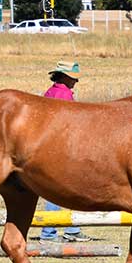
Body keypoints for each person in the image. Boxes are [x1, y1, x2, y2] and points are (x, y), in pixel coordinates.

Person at [39, 61, 92, 243]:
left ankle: (71, 228)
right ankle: (49, 232)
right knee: (59, 189)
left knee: (66, 188)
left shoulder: (53, 91)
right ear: (63, 76)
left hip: (52, 147)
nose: (75, 82)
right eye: (73, 78)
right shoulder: (62, 95)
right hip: (60, 148)